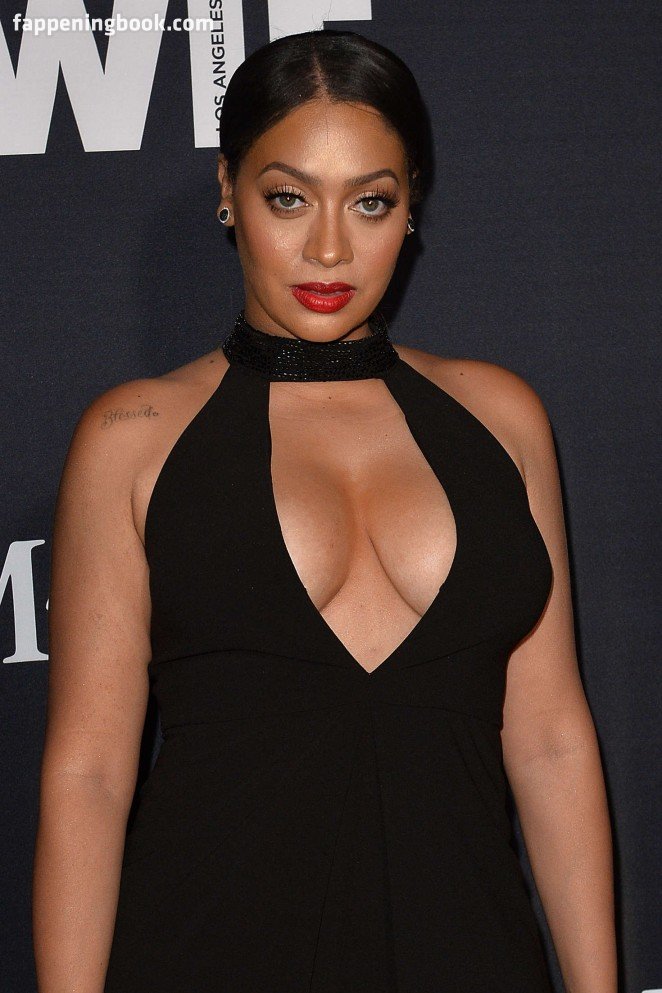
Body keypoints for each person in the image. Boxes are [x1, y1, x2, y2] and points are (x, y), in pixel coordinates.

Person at [32, 28, 617, 993]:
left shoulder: (501, 418)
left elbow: (551, 738)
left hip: (470, 953)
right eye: (289, 198)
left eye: (371, 201)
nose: (331, 248)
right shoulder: (132, 436)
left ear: (412, 205)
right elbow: (88, 777)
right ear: (229, 190)